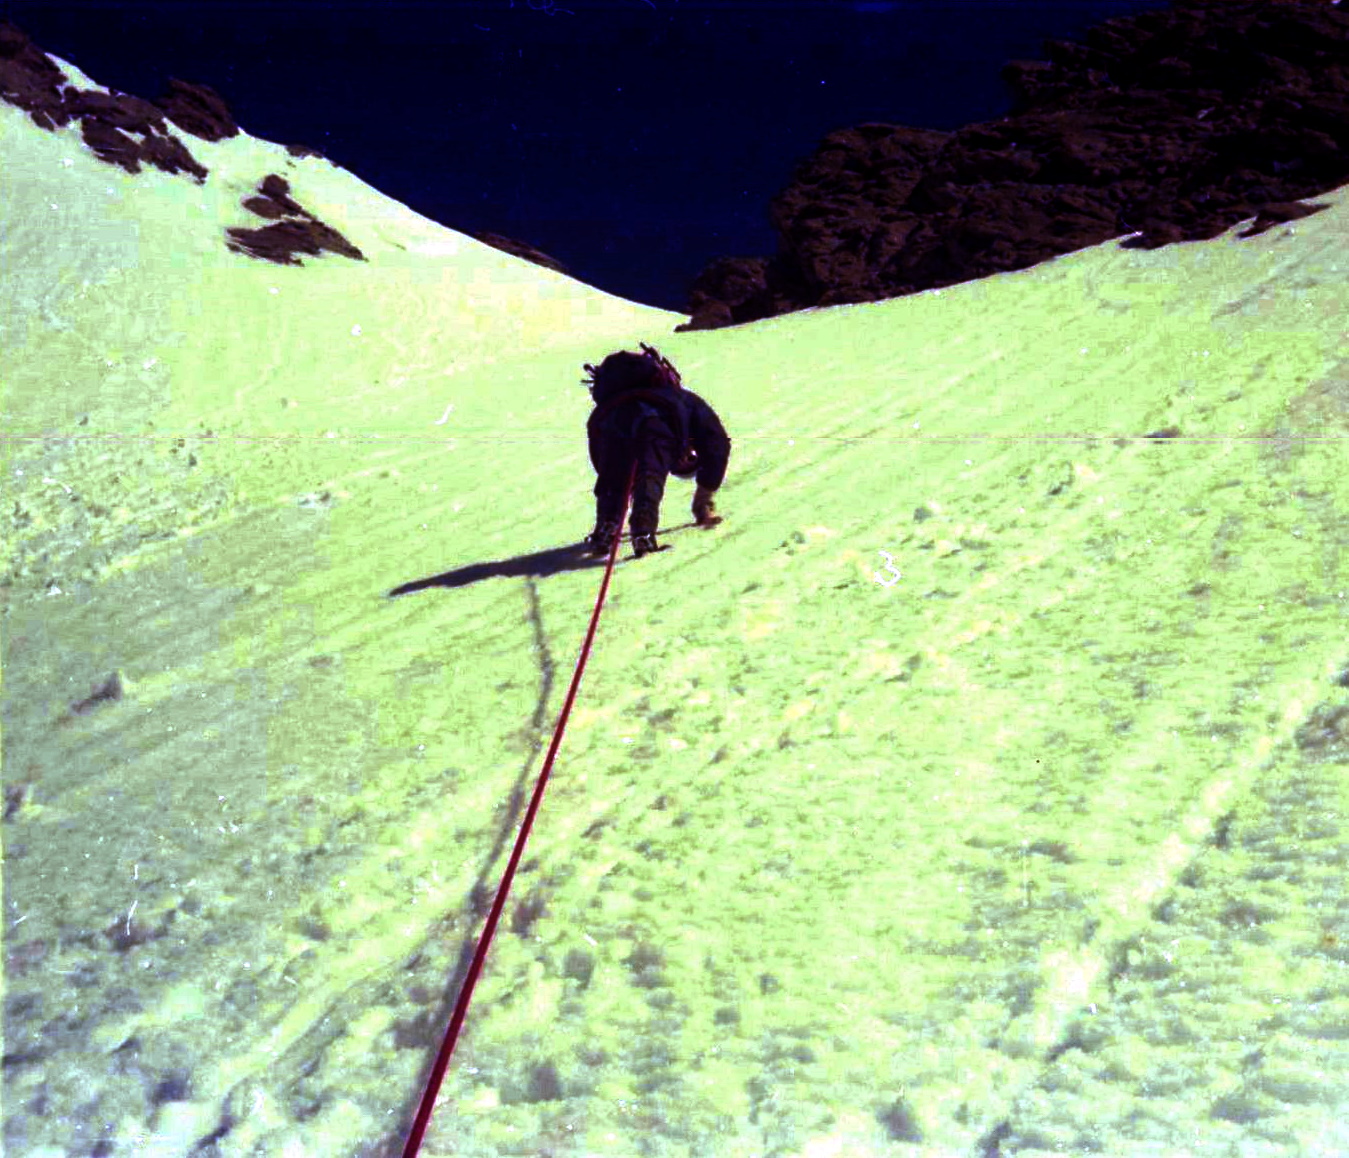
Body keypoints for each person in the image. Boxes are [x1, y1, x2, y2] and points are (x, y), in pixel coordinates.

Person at [582, 344, 731, 558]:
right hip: (654, 425)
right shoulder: (684, 399)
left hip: (611, 421)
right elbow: (717, 445)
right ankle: (643, 534)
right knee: (650, 473)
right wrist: (703, 499)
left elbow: (601, 462)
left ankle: (606, 526)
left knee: (614, 474)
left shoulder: (620, 399)